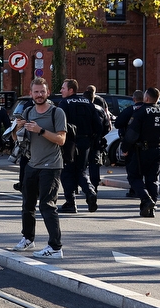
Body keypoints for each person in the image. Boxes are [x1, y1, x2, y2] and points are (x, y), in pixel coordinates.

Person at [12, 78, 67, 258]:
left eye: (42, 91)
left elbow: (61, 140)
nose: (39, 95)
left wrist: (40, 130)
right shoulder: (28, 111)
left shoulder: (56, 112)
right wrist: (17, 129)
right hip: (31, 163)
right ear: (31, 93)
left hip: (51, 166)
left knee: (47, 206)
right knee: (27, 204)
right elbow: (16, 140)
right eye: (36, 92)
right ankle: (28, 238)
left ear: (48, 92)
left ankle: (55, 247)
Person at [122, 88, 160, 218]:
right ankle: (151, 208)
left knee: (134, 177)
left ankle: (146, 199)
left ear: (147, 98)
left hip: (142, 150)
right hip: (159, 149)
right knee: (153, 179)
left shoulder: (141, 112)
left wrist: (125, 148)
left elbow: (132, 134)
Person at [58, 79, 103, 213]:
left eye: (63, 88)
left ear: (70, 90)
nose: (61, 90)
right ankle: (90, 192)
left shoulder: (64, 104)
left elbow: (59, 123)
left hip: (69, 143)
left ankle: (70, 203)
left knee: (67, 172)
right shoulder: (88, 103)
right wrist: (93, 141)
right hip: (86, 142)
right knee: (81, 171)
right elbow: (98, 125)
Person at [116, 90, 145, 198]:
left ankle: (134, 189)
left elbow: (118, 123)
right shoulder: (147, 110)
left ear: (133, 99)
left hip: (131, 144)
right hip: (147, 144)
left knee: (132, 169)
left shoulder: (130, 110)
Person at [85, 85, 112, 190]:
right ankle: (94, 186)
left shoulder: (81, 106)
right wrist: (101, 135)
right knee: (94, 163)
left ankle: (78, 186)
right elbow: (107, 123)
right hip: (97, 139)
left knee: (79, 164)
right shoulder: (101, 104)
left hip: (82, 139)